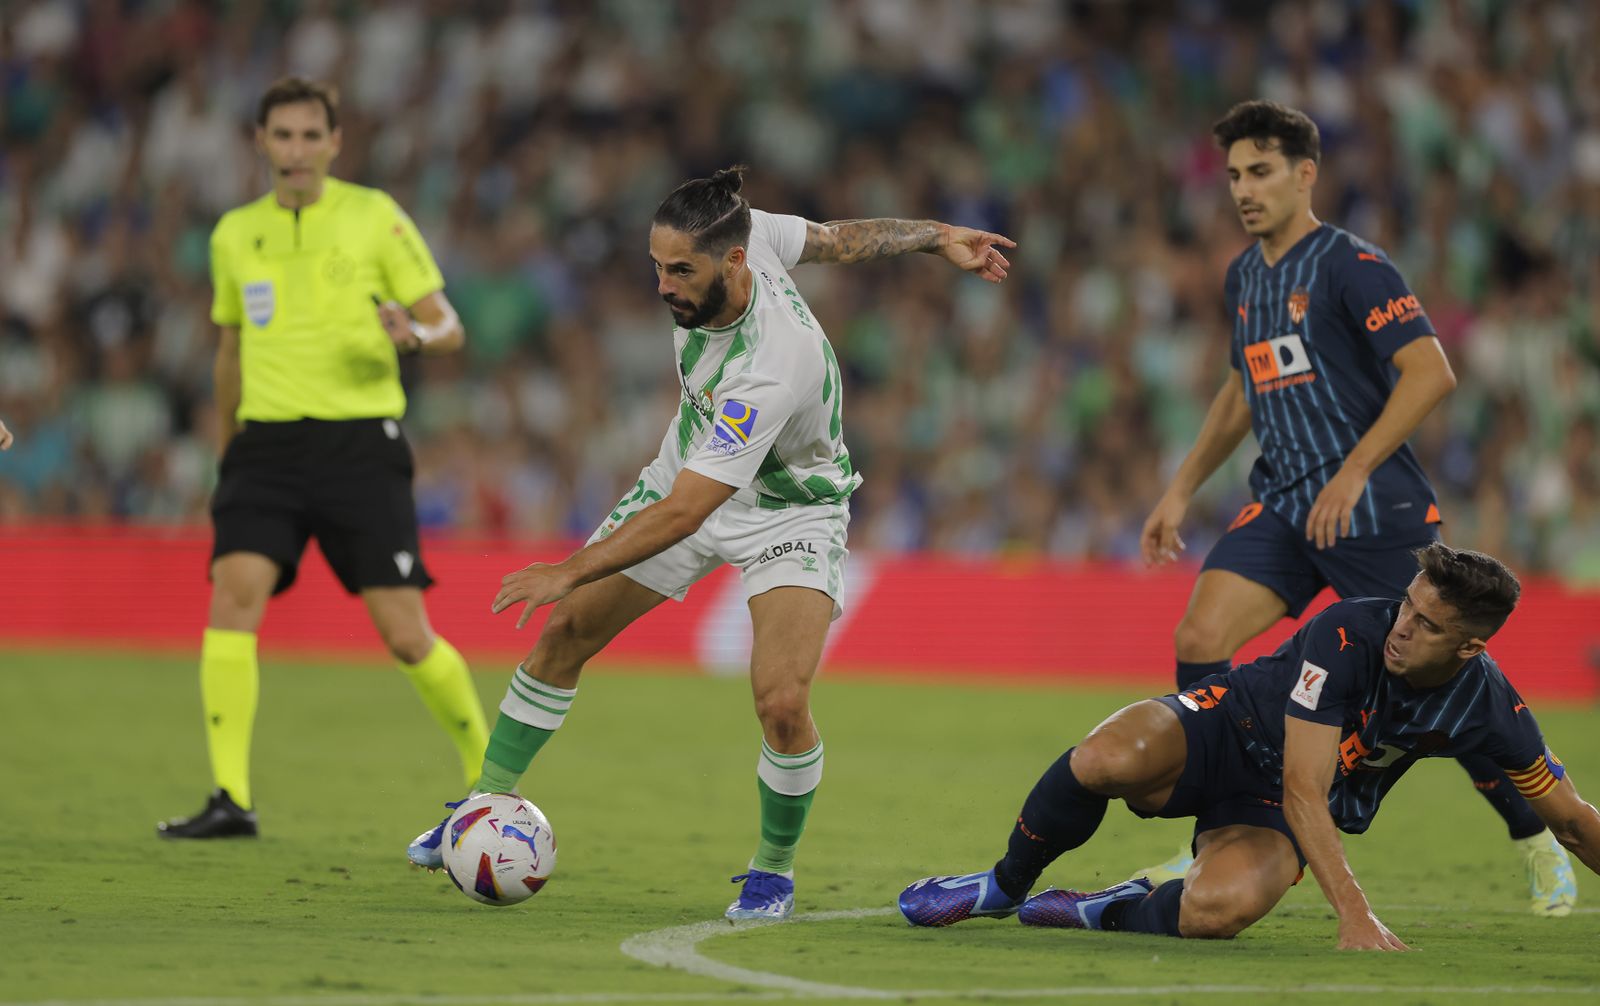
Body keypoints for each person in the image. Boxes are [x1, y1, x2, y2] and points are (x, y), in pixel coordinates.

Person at [403, 165, 1015, 920]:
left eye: (680, 271)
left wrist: (570, 568)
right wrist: (935, 235)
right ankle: (481, 806)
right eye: (656, 266)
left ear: (733, 261)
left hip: (789, 513)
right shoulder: (750, 233)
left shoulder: (772, 365)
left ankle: (773, 872)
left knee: (781, 701)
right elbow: (838, 240)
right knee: (566, 633)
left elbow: (686, 515)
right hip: (687, 472)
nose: (663, 286)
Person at [1135, 100, 1576, 913]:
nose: (1243, 190)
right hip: (1286, 504)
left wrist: (1354, 470)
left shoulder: (1353, 265)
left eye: (1260, 171)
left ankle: (1537, 834)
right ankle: (1221, 828)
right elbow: (1240, 389)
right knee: (1198, 637)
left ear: (1306, 174)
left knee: (1446, 686)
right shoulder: (1244, 277)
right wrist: (1181, 486)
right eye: (1234, 175)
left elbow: (1431, 372)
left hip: (1375, 509)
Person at [899, 543, 1600, 947]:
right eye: (1407, 605)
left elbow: (1569, 820)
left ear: (1470, 647)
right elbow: (1305, 787)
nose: (1403, 627)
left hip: (1269, 807)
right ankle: (1002, 885)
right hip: (1222, 730)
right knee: (1104, 758)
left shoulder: (1489, 707)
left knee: (1217, 911)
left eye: (1428, 625)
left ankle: (1104, 908)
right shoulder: (1349, 632)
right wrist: (1355, 914)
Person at [157, 78, 488, 838]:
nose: (297, 150)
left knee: (405, 633)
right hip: (265, 446)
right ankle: (230, 797)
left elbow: (449, 326)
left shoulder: (375, 217)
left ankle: (488, 778)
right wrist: (227, 453)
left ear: (336, 142)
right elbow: (230, 350)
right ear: (261, 142)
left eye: (311, 135)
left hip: (359, 442)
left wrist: (415, 336)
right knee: (234, 595)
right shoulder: (234, 234)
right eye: (284, 135)